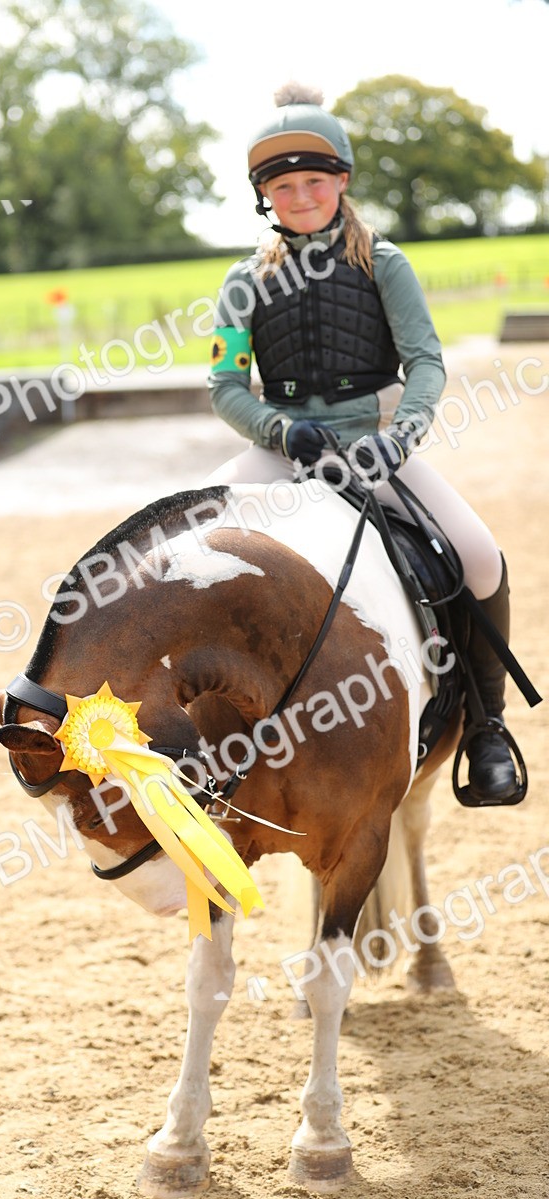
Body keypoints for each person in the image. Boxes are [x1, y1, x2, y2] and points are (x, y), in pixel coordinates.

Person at [204, 81, 522, 806]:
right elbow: (225, 385)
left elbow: (428, 365)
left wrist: (398, 437)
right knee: (187, 539)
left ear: (341, 182)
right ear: (265, 198)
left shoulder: (386, 262)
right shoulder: (242, 281)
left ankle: (486, 729)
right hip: (281, 448)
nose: (301, 196)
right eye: (283, 186)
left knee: (477, 556)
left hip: (374, 447)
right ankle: (183, 735)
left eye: (314, 181)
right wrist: (282, 431)